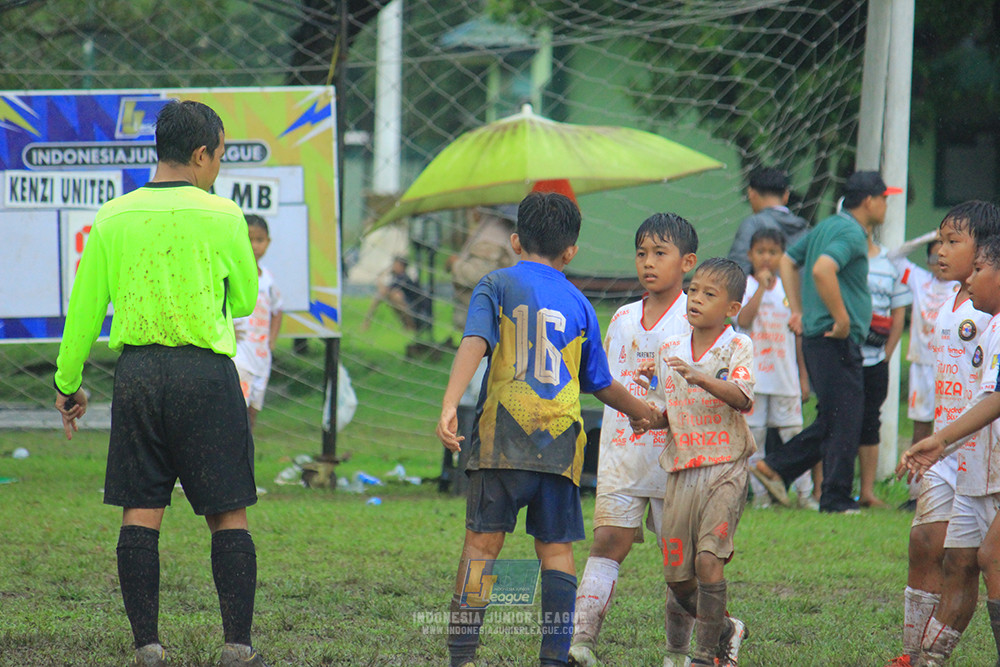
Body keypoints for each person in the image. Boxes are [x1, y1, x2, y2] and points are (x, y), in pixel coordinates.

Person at [53, 100, 268, 667]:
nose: (220, 166)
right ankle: (237, 648)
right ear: (200, 155)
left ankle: (148, 647)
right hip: (205, 375)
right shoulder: (224, 216)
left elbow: (84, 310)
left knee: (140, 508)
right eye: (219, 155)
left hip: (139, 376)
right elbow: (244, 300)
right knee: (228, 511)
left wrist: (68, 381)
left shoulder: (113, 216)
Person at [435, 192, 657, 667]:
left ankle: (462, 657)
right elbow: (599, 382)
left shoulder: (495, 283)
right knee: (556, 551)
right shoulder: (579, 303)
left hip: (502, 439)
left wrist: (451, 402)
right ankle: (554, 658)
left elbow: (475, 341)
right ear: (571, 252)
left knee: (481, 545)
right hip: (561, 444)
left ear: (516, 241)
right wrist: (641, 410)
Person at [568, 212, 698, 667]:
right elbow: (605, 380)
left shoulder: (696, 317)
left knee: (679, 564)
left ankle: (678, 653)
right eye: (642, 253)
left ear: (687, 262)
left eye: (660, 253)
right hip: (623, 454)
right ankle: (581, 642)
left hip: (675, 459)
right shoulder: (622, 317)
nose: (648, 262)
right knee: (607, 541)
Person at [884, 201, 1000, 666]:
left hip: (982, 446)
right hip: (949, 446)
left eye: (954, 242)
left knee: (982, 559)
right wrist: (935, 438)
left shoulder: (990, 307)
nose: (941, 251)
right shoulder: (944, 297)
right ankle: (916, 655)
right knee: (934, 549)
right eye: (939, 241)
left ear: (986, 253)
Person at [750, 171, 900, 513]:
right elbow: (821, 270)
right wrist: (843, 317)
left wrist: (799, 311)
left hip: (820, 336)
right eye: (885, 198)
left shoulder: (829, 225)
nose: (887, 205)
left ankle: (823, 490)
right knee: (843, 417)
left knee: (839, 417)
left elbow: (789, 262)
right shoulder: (849, 232)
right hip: (835, 337)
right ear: (869, 201)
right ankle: (793, 475)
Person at [633, 257, 754, 667]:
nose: (695, 299)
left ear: (732, 309)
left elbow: (742, 396)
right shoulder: (669, 350)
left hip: (725, 467)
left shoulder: (738, 345)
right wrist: (646, 417)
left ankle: (703, 657)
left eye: (709, 293)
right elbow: (666, 409)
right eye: (693, 290)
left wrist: (703, 377)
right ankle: (725, 630)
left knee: (708, 560)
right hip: (682, 470)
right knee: (677, 578)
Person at [736, 228, 815, 510]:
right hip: (752, 380)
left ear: (782, 256)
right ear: (750, 255)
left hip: (785, 377)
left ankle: (805, 495)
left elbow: (798, 335)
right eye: (760, 252)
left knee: (793, 436)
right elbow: (743, 320)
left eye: (773, 252)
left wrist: (803, 378)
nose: (766, 258)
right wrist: (759, 287)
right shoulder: (743, 287)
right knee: (754, 439)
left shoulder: (789, 289)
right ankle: (760, 498)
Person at [889, 232, 960, 511]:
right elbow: (894, 256)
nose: (938, 259)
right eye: (934, 254)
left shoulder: (960, 286)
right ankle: (914, 494)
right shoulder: (919, 280)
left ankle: (943, 492)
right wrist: (933, 235)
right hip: (921, 364)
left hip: (947, 367)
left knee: (946, 429)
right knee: (920, 428)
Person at [857, 230, 912, 508]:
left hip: (876, 358)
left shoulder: (889, 265)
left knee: (870, 422)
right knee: (832, 419)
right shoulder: (841, 260)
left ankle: (867, 491)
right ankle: (821, 489)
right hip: (844, 357)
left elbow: (899, 310)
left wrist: (887, 354)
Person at [233, 214, 283, 432]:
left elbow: (277, 310)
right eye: (248, 239)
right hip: (239, 354)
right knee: (237, 410)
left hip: (261, 357)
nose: (254, 246)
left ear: (268, 242)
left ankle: (246, 460)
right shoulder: (232, 275)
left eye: (259, 240)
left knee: (253, 411)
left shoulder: (269, 280)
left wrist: (271, 340)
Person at [448, 204, 519, 335]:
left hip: (484, 321)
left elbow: (477, 275)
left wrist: (455, 264)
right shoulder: (506, 233)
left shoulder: (491, 237)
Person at [727, 166, 809, 276]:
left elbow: (736, 273)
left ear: (751, 193)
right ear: (786, 195)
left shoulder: (753, 223)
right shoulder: (805, 229)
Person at [360, 255, 431, 333]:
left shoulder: (403, 278)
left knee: (394, 296)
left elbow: (385, 291)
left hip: (420, 315)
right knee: (390, 295)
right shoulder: (399, 278)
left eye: (395, 264)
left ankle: (410, 326)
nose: (392, 267)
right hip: (417, 313)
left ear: (401, 266)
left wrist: (380, 278)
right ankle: (408, 326)